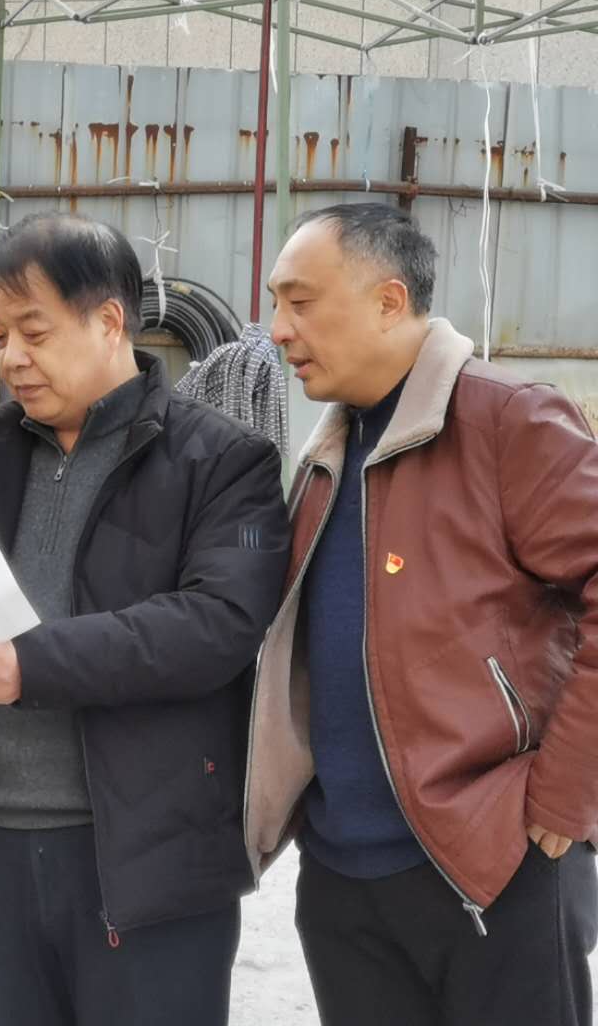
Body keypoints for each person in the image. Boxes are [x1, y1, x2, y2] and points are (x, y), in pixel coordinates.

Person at [0, 212, 289, 1026]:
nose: (11, 358)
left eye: (34, 332)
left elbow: (216, 624)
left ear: (108, 321)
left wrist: (31, 665)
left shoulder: (221, 460)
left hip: (141, 861)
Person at [247, 202, 598, 1026]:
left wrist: (565, 794)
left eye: (302, 302)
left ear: (389, 301)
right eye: (276, 304)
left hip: (493, 864)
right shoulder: (331, 450)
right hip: (343, 879)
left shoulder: (507, 420)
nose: (278, 330)